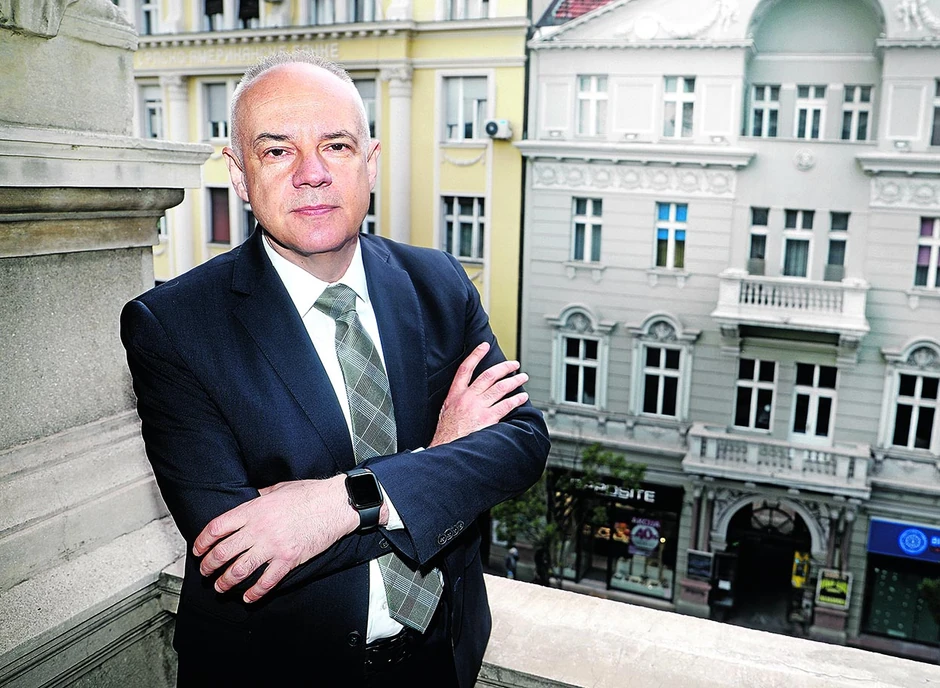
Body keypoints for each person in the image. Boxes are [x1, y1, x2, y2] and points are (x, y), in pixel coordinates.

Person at [120, 51, 550, 687]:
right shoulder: (173, 326)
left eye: (336, 146)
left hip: (442, 658)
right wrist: (441, 461)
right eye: (277, 151)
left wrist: (340, 504)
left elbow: (522, 444)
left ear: (369, 162)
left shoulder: (437, 281)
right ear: (238, 174)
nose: (312, 174)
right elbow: (239, 552)